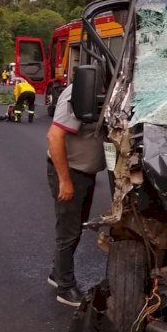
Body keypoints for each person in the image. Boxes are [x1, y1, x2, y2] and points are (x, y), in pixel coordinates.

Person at [46, 83, 106, 307]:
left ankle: (57, 273)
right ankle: (66, 288)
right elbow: (54, 136)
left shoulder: (108, 89)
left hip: (84, 172)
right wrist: (65, 180)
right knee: (68, 231)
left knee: (75, 227)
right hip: (71, 172)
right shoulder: (80, 92)